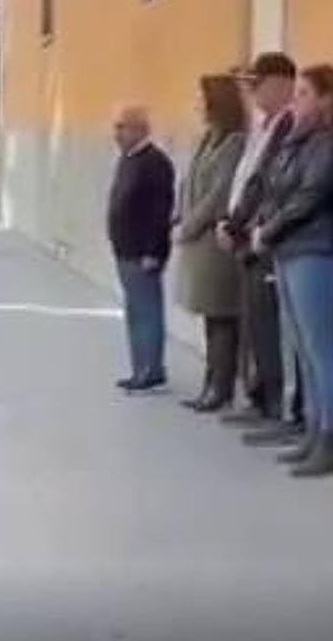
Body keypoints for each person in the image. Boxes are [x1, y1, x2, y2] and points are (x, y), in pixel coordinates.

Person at [251, 64, 333, 477]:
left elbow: (312, 195)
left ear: (326, 99)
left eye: (303, 93)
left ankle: (332, 440)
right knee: (302, 347)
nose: (295, 101)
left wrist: (272, 228)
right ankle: (315, 433)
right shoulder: (299, 140)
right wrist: (265, 226)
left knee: (322, 349)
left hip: (315, 249)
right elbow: (277, 188)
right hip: (289, 248)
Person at [219, 52, 298, 443]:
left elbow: (266, 183)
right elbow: (246, 178)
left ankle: (276, 407)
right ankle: (258, 398)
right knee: (255, 324)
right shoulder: (263, 126)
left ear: (282, 84)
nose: (252, 93)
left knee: (270, 327)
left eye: (257, 84)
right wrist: (231, 222)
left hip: (265, 238)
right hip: (247, 235)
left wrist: (244, 225)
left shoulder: (287, 126)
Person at [176, 73, 247, 413]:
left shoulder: (234, 142)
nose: (198, 105)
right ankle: (211, 382)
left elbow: (219, 193)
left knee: (222, 316)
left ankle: (221, 387)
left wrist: (189, 226)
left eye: (202, 100)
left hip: (214, 247)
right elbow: (188, 184)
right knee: (209, 318)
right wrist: (179, 218)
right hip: (197, 243)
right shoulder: (208, 140)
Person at [107, 106, 175, 392]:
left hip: (142, 252)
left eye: (122, 127)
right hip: (125, 249)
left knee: (147, 311)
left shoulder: (155, 162)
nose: (116, 134)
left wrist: (153, 250)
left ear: (139, 129)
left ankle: (151, 368)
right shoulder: (128, 160)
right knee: (135, 312)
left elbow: (160, 211)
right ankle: (139, 367)